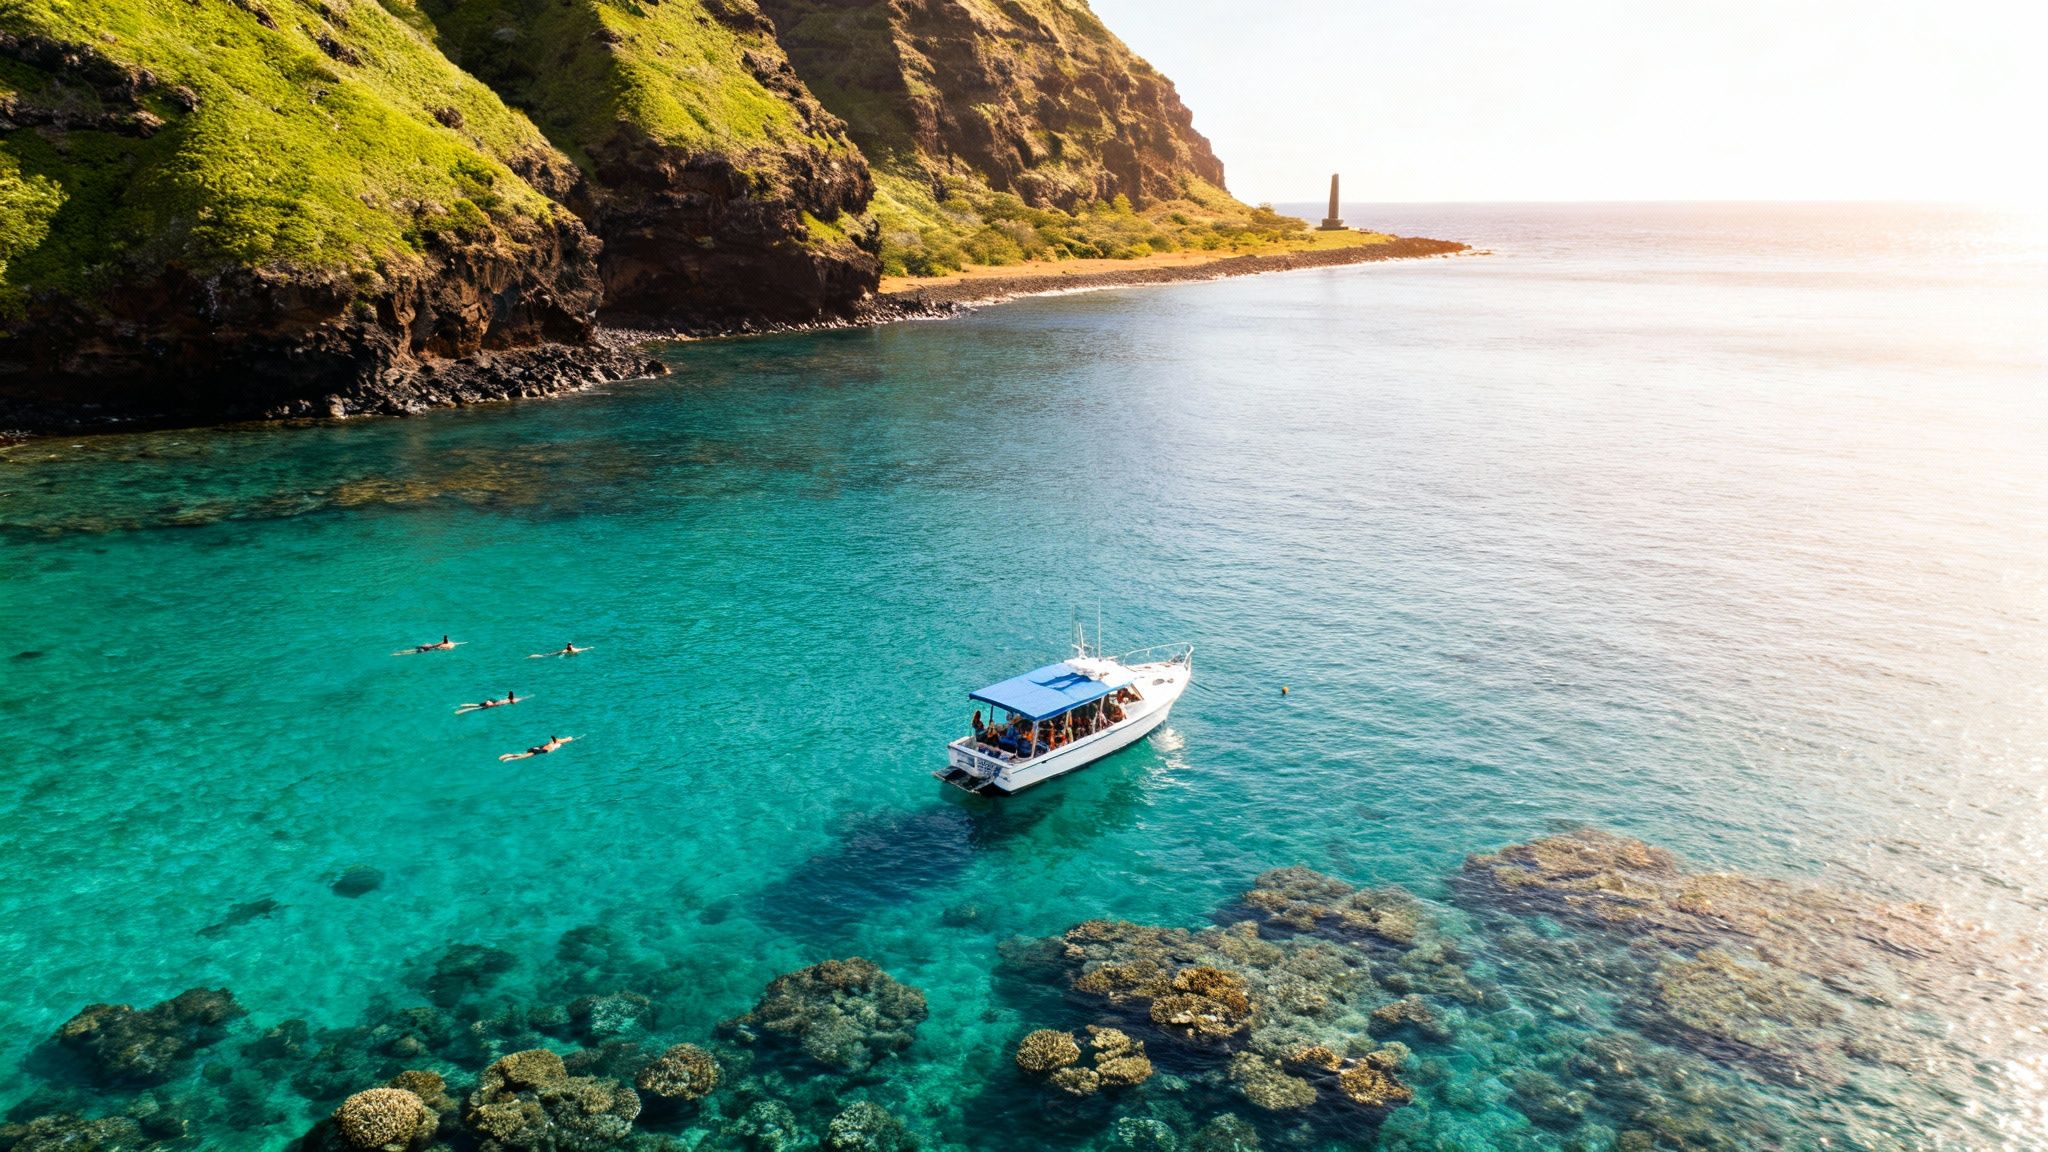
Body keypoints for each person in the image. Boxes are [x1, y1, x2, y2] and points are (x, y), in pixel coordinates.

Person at [500, 735, 574, 762]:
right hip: (541, 750)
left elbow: (553, 738)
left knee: (523, 754)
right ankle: (510, 757)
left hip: (538, 748)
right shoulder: (558, 744)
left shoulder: (552, 742)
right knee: (523, 757)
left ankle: (509, 755)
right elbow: (554, 743)